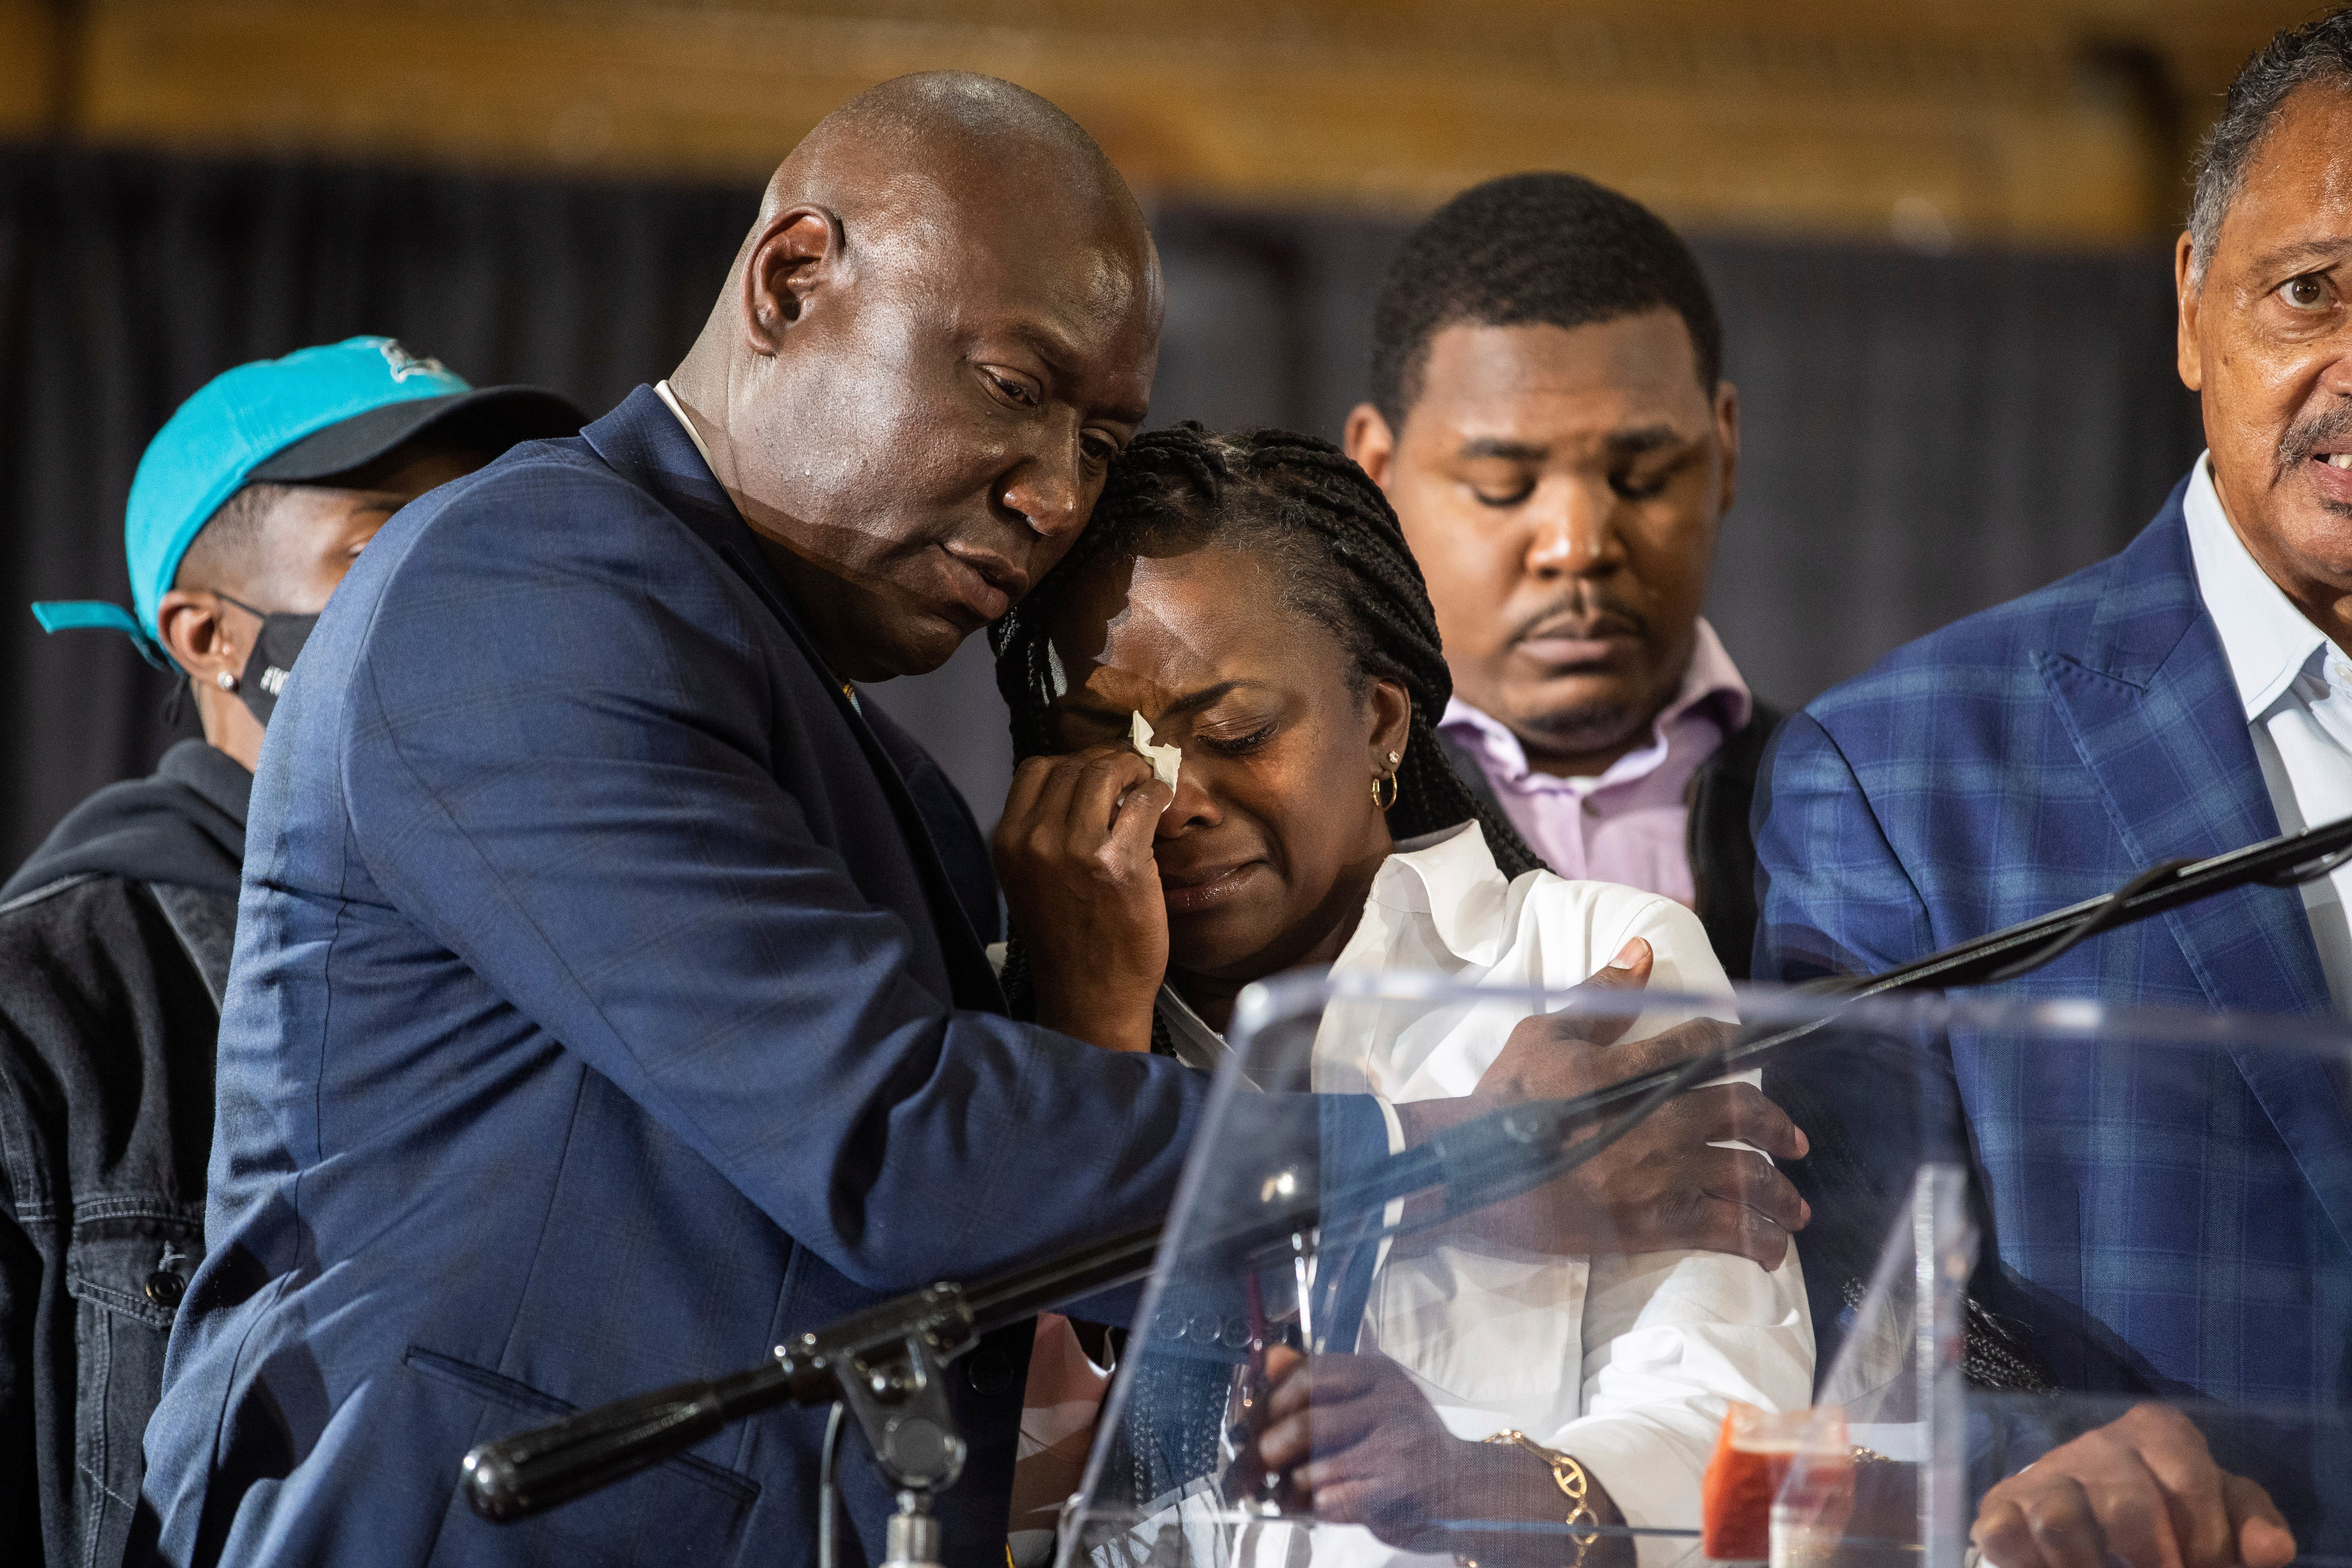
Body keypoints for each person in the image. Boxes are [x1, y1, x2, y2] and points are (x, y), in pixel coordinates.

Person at [133, 77, 1769, 1568]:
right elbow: (895, 1138)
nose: (1054, 493)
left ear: (1384, 723)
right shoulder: (528, 588)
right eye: (1013, 387)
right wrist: (1449, 1160)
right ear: (794, 283)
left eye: (1099, 442)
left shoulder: (871, 762)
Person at [990, 425, 1812, 1566]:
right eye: (1105, 748)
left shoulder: (1589, 963)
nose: (1175, 799)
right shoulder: (989, 1028)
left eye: (1236, 733)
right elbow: (993, 1486)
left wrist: (1464, 1482)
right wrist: (1090, 1034)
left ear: (1380, 720)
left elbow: (1722, 1429)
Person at [1754, 11, 2352, 1564]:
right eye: (2311, 291)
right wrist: (2062, 1462)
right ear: (2191, 305)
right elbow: (1857, 1310)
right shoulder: (1904, 770)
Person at [0, 338, 579, 1568]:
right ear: (211, 636)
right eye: (382, 547)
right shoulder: (49, 1005)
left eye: (484, 536)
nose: (464, 587)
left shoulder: (574, 955)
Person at [1344, 173, 1778, 979]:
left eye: (1643, 477)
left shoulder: (1856, 807)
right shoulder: (1310, 822)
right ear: (1377, 473)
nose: (1578, 546)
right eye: (1502, 486)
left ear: (1724, 449)